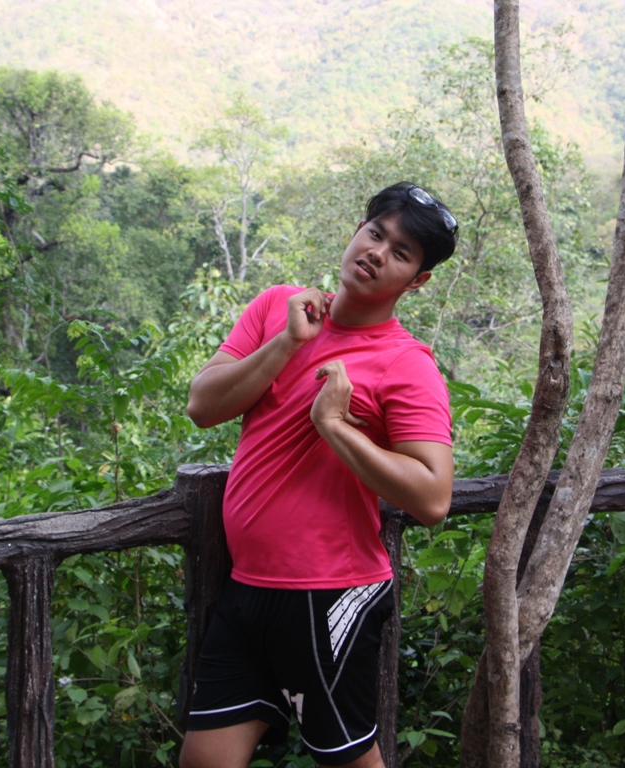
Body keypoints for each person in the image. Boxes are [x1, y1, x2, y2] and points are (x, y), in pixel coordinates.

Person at [180, 182, 458, 768]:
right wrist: (286, 343)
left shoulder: (407, 364)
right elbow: (203, 406)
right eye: (376, 233)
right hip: (248, 585)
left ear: (417, 282)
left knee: (348, 762)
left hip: (330, 590)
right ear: (358, 232)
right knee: (205, 761)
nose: (379, 252)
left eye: (402, 253)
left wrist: (336, 426)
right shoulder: (281, 307)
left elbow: (433, 497)